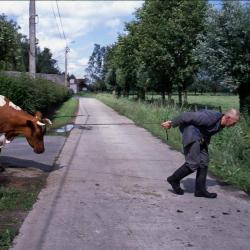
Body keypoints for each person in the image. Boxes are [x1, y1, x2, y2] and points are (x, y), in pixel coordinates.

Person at [161, 108, 240, 198]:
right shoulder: (210, 117)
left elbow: (207, 130)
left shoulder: (221, 123)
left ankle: (200, 190)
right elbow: (186, 116)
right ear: (228, 118)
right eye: (234, 122)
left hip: (200, 137)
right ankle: (174, 179)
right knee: (193, 163)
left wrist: (205, 142)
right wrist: (171, 123)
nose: (234, 125)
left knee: (204, 162)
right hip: (192, 134)